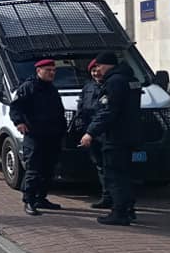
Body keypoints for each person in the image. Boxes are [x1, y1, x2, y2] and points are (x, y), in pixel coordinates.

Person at [81, 51, 142, 226]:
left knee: (115, 176)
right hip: (131, 135)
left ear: (107, 65)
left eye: (99, 66)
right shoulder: (131, 79)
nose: (98, 70)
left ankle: (119, 213)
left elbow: (108, 111)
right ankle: (129, 209)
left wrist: (90, 132)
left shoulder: (114, 82)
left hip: (116, 137)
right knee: (127, 175)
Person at [9, 59, 67, 216]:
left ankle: (41, 198)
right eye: (48, 70)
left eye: (53, 70)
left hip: (52, 136)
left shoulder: (51, 88)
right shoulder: (29, 87)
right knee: (34, 169)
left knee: (48, 170)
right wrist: (19, 122)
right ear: (38, 71)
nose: (52, 73)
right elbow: (15, 107)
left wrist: (62, 130)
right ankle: (29, 200)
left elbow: (58, 111)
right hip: (35, 135)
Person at [75, 59, 108, 209]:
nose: (96, 73)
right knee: (100, 166)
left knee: (111, 167)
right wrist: (82, 127)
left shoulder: (110, 86)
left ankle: (117, 199)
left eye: (98, 70)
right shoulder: (88, 87)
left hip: (106, 134)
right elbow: (81, 107)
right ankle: (106, 196)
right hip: (91, 134)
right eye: (93, 71)